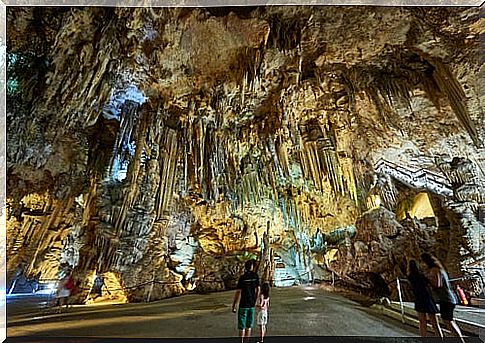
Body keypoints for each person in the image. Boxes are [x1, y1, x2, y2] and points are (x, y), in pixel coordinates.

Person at [421, 253, 465, 343]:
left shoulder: (435, 270)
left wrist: (427, 281)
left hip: (446, 299)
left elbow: (437, 284)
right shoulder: (439, 269)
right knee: (449, 321)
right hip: (447, 298)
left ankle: (460, 341)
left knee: (449, 322)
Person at [407, 259, 442, 337]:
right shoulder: (421, 275)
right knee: (435, 323)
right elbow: (429, 283)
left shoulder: (410, 276)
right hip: (427, 297)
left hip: (418, 298)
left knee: (422, 322)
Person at [232, 259, 260, 343]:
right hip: (252, 304)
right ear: (251, 267)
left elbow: (238, 292)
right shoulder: (255, 276)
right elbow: (258, 289)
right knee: (249, 325)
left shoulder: (242, 278)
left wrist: (234, 304)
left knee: (242, 326)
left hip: (243, 304)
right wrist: (255, 300)